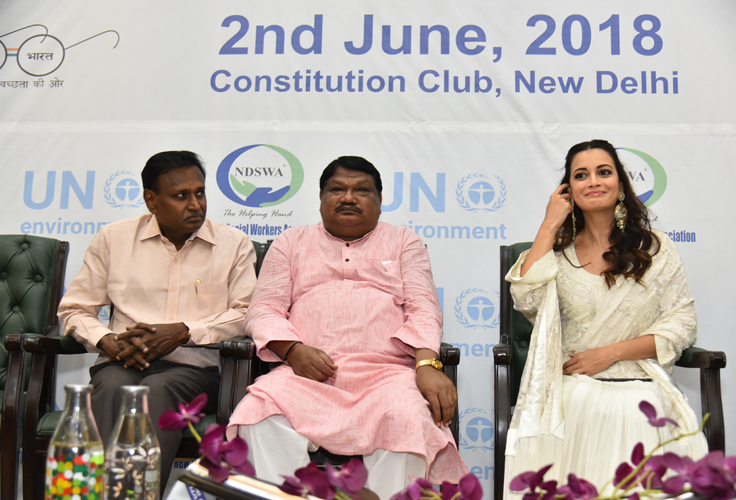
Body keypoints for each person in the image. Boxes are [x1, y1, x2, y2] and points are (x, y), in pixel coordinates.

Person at [228, 156, 467, 500]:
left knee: (409, 419)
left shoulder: (403, 241)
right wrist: (292, 351)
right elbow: (263, 309)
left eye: (362, 190)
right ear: (321, 198)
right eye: (337, 189)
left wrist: (427, 364)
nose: (349, 197)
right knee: (258, 415)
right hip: (305, 376)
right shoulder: (291, 242)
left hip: (386, 376)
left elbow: (423, 308)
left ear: (380, 201)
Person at [503, 140, 708, 496]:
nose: (594, 181)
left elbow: (682, 322)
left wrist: (610, 353)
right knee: (579, 406)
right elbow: (527, 299)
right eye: (581, 175)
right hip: (572, 385)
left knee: (634, 410)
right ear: (568, 190)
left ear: (621, 184)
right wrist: (549, 224)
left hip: (639, 381)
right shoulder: (556, 254)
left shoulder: (656, 248)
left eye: (603, 172)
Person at [58, 150, 257, 495]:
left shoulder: (233, 244)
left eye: (200, 193)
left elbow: (247, 315)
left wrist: (185, 332)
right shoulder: (114, 239)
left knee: (156, 390)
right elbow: (74, 309)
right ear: (151, 200)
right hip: (122, 363)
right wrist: (106, 340)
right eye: (181, 196)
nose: (195, 204)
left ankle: (131, 494)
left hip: (196, 372)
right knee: (112, 386)